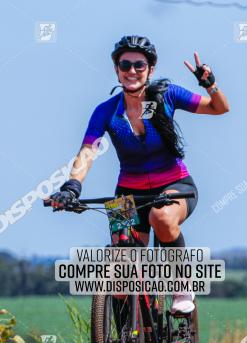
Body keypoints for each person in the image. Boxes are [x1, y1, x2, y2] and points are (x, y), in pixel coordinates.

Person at [49, 35, 230, 317]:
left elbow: (219, 108)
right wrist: (72, 186)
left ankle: (181, 283)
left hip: (174, 185)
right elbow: (87, 151)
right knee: (121, 276)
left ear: (150, 70)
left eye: (139, 65)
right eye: (125, 65)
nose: (131, 71)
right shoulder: (107, 111)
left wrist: (209, 83)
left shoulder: (166, 96)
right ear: (116, 69)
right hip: (128, 193)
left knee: (161, 217)